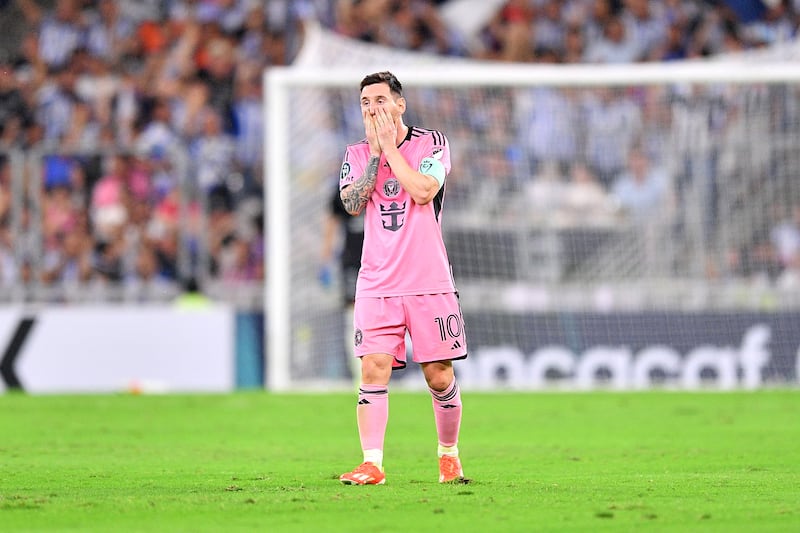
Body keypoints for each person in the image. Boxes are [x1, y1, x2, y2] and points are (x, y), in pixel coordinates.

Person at [337, 71, 468, 486]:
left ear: (399, 104)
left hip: (429, 280)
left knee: (439, 374)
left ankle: (448, 455)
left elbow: (423, 191)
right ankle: (372, 463)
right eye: (364, 102)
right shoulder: (356, 153)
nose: (372, 108)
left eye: (379, 100)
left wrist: (391, 149)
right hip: (377, 282)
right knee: (373, 368)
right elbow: (352, 203)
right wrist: (376, 155)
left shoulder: (433, 143)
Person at [319, 183, 364, 384]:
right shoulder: (344, 186)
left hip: (383, 260)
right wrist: (325, 260)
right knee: (353, 318)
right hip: (353, 262)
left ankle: (380, 371)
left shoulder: (387, 178)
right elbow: (332, 222)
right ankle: (359, 375)